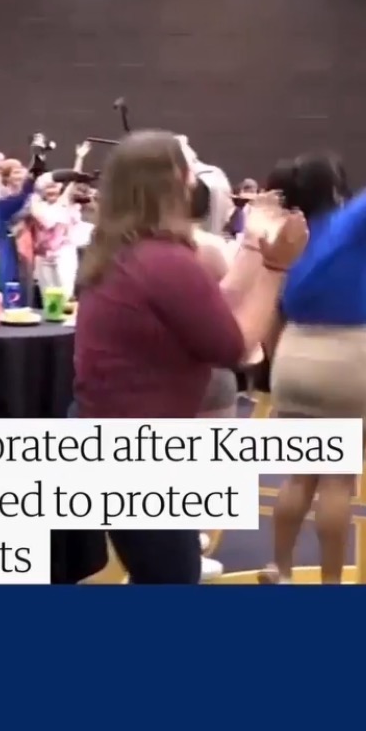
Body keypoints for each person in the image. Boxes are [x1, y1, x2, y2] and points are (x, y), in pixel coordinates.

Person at [71, 130, 308, 584]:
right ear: (170, 182)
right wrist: (277, 268)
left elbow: (210, 304)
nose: (197, 179)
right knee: (171, 575)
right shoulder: (164, 260)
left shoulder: (127, 250)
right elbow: (233, 345)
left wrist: (254, 242)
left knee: (159, 570)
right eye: (189, 168)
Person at [259, 154, 366, 585]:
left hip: (294, 353)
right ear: (337, 188)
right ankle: (331, 583)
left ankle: (279, 567)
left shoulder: (285, 233)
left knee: (299, 477)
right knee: (338, 482)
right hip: (347, 360)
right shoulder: (352, 222)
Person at [30, 142, 90, 299]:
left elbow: (74, 178)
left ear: (60, 188)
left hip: (63, 252)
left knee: (65, 291)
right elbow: (33, 184)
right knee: (47, 294)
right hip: (43, 255)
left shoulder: (65, 202)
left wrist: (80, 157)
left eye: (54, 187)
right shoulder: (37, 204)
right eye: (48, 188)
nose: (51, 190)